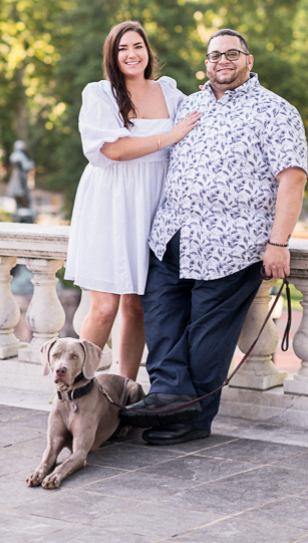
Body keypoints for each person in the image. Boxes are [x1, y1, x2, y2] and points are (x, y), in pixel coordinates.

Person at [120, 28, 307, 446]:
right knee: (161, 317)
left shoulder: (276, 111)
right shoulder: (192, 104)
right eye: (213, 55)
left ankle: (194, 420)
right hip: (171, 236)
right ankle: (171, 398)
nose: (222, 61)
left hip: (233, 246)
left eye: (231, 54)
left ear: (249, 60)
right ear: (205, 63)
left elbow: (291, 180)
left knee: (208, 335)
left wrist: (279, 242)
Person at [64, 21, 199, 381]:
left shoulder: (170, 94)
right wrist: (168, 136)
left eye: (137, 46)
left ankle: (125, 391)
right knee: (105, 306)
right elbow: (114, 149)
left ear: (148, 51)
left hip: (155, 204)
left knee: (137, 305)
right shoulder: (100, 94)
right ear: (112, 55)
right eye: (123, 48)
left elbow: (205, 120)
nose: (131, 54)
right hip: (111, 202)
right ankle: (77, 392)